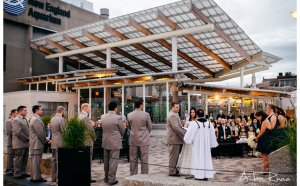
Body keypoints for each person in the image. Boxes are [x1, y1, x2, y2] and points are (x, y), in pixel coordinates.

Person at [184, 109, 218, 181]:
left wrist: (188, 140)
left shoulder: (194, 123)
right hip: (206, 146)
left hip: (197, 145)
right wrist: (211, 144)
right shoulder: (209, 124)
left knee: (197, 159)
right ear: (204, 114)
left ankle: (198, 175)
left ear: (197, 114)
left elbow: (188, 136)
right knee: (206, 158)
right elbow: (212, 136)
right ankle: (206, 175)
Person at [101, 102, 125, 185]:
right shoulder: (118, 118)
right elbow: (123, 130)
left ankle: (106, 178)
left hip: (105, 141)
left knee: (106, 161)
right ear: (115, 108)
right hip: (115, 142)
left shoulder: (103, 117)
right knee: (113, 161)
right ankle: (111, 179)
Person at [127, 99, 152, 175]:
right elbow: (150, 127)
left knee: (133, 159)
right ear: (141, 105)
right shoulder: (146, 114)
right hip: (144, 140)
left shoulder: (129, 115)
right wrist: (145, 134)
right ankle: (144, 176)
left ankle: (133, 176)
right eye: (143, 104)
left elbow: (129, 126)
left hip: (133, 140)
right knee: (144, 160)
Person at [167, 102, 186, 177]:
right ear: (172, 107)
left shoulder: (175, 114)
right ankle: (172, 172)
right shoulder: (172, 115)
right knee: (173, 156)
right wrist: (185, 134)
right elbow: (176, 128)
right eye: (176, 107)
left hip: (176, 139)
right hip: (174, 139)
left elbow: (179, 126)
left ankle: (174, 169)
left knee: (176, 156)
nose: (178, 108)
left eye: (178, 107)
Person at [29, 105, 47, 183]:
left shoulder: (34, 118)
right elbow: (40, 133)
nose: (42, 111)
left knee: (35, 162)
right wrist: (45, 141)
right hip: (37, 144)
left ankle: (34, 177)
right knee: (36, 162)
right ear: (36, 110)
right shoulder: (36, 119)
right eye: (41, 110)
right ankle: (36, 178)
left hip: (35, 143)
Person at [79, 103, 96, 183]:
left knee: (83, 161)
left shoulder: (79, 116)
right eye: (89, 107)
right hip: (87, 141)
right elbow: (91, 130)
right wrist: (94, 138)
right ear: (85, 108)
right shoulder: (85, 117)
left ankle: (83, 176)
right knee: (88, 161)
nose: (90, 109)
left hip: (81, 140)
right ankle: (88, 177)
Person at [178, 107, 197, 178]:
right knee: (187, 154)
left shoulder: (197, 120)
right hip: (189, 140)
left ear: (195, 113)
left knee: (193, 154)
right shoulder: (188, 120)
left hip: (194, 139)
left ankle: (194, 169)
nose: (192, 113)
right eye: (191, 112)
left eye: (193, 112)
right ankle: (187, 170)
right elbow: (185, 128)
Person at [12, 106, 30, 179]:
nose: (26, 112)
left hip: (25, 143)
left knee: (24, 159)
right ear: (20, 111)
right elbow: (17, 132)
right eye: (25, 110)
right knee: (18, 159)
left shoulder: (24, 119)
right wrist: (27, 138)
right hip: (19, 143)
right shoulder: (16, 119)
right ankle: (17, 173)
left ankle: (23, 172)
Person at [50, 106, 66, 183]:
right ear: (62, 111)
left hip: (53, 142)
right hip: (60, 142)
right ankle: (59, 179)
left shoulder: (52, 118)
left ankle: (53, 178)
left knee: (54, 160)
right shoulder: (61, 119)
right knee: (59, 161)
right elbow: (64, 131)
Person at [5, 109, 18, 176]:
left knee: (14, 157)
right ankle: (9, 170)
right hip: (11, 143)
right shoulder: (8, 121)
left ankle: (13, 170)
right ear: (13, 113)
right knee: (10, 157)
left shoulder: (16, 121)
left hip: (16, 142)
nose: (17, 114)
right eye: (16, 113)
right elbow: (9, 133)